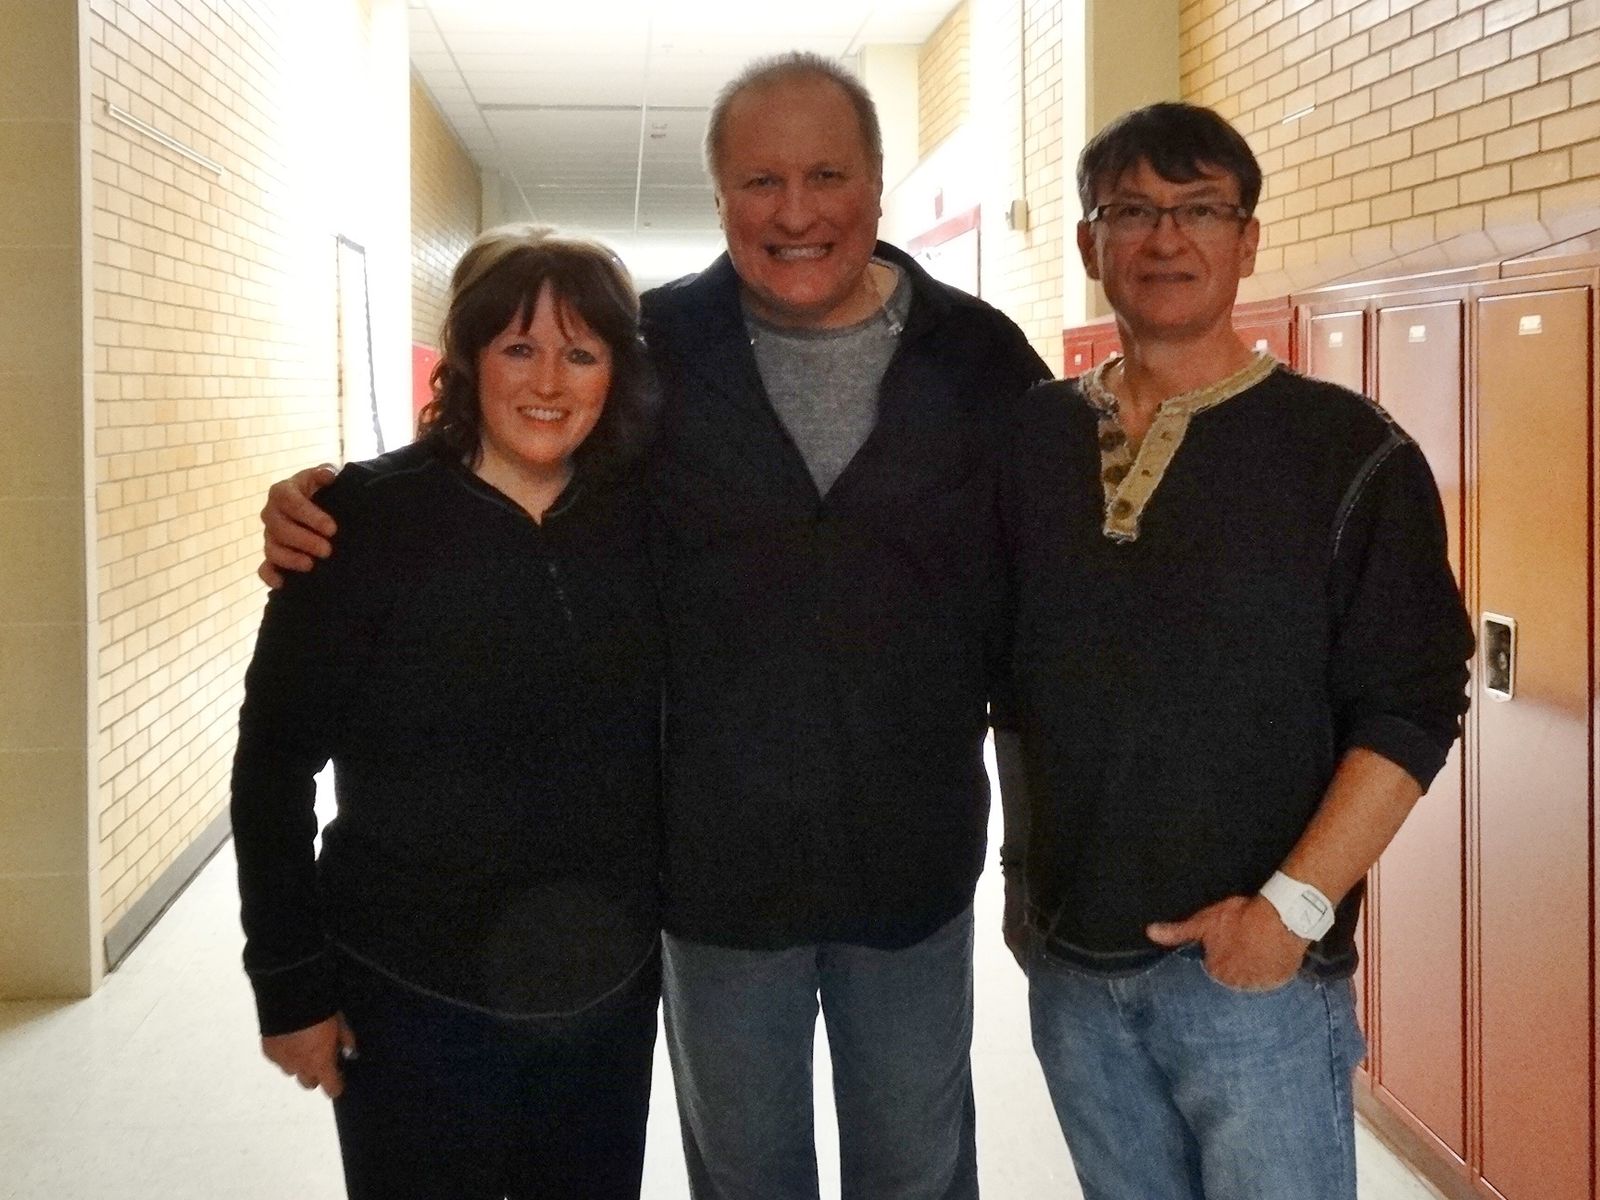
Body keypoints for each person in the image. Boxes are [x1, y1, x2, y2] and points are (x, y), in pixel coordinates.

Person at [261, 53, 1050, 1200]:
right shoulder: (656, 349)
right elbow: (517, 458)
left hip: (911, 870)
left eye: (825, 175)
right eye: (760, 181)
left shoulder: (981, 360)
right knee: (744, 1177)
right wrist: (344, 504)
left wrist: (1038, 854)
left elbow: (1051, 593)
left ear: (877, 185)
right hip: (714, 881)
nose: (794, 212)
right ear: (719, 195)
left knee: (917, 1173)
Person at [1000, 102, 1474, 1200]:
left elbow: (1412, 704)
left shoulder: (1348, 452)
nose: (1166, 238)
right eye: (1131, 211)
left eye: (1200, 210)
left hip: (1253, 982)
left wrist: (1291, 913)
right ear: (1090, 244)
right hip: (1074, 976)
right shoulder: (1030, 441)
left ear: (1247, 241)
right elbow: (1007, 689)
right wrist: (1026, 895)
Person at [232, 227, 663, 1200]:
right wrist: (289, 985)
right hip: (408, 994)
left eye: (581, 353)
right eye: (518, 347)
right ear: (467, 358)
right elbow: (273, 765)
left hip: (602, 1001)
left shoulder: (644, 520)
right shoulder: (360, 524)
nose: (547, 381)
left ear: (615, 372)